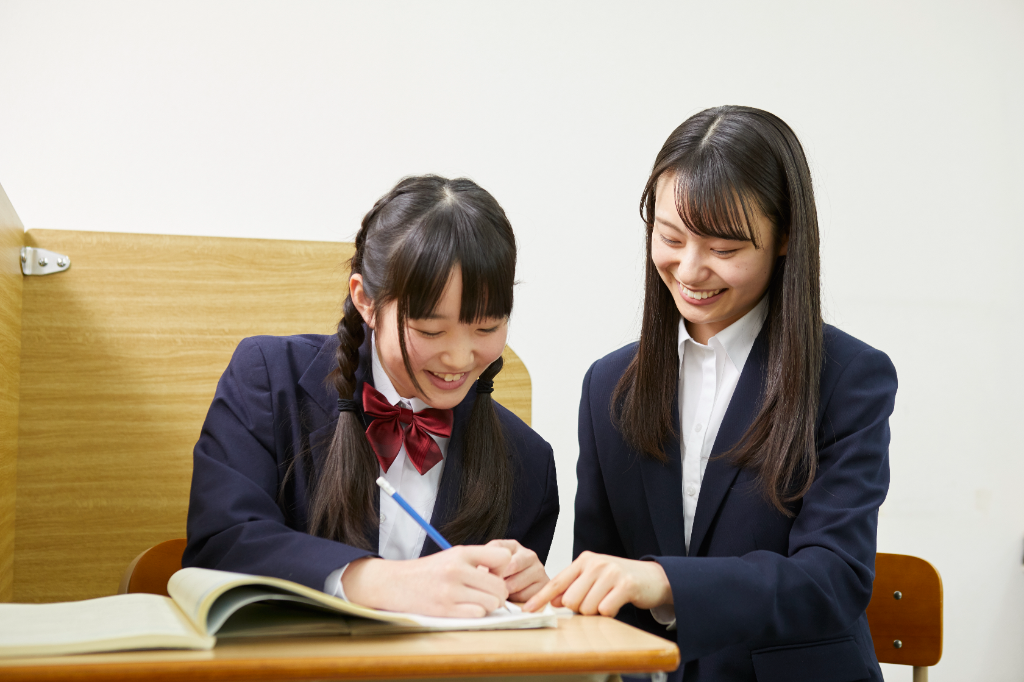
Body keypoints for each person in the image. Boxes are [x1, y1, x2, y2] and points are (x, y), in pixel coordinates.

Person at [525, 106, 896, 681]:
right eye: (671, 238)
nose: (691, 270)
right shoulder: (609, 386)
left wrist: (667, 581)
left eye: (724, 250)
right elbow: (604, 587)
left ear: (785, 239)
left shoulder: (848, 377)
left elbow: (832, 579)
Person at [185, 175, 558, 618]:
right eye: (430, 330)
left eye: (487, 328)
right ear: (365, 300)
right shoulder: (267, 379)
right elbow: (221, 546)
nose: (459, 358)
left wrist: (527, 598)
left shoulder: (528, 462)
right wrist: (378, 581)